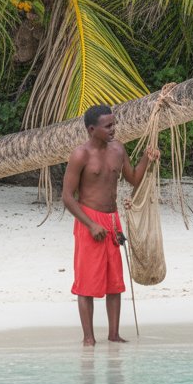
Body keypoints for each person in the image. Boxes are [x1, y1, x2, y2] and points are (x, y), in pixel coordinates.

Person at [61, 103, 160, 346]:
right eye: (108, 126)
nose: (113, 129)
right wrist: (91, 225)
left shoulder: (118, 149)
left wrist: (147, 159)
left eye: (114, 124)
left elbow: (134, 179)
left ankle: (114, 334)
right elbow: (67, 197)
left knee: (115, 282)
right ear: (91, 129)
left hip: (113, 220)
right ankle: (89, 338)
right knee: (86, 283)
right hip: (88, 220)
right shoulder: (80, 155)